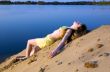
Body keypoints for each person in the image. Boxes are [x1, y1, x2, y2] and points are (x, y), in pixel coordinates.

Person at [17, 21, 87, 60]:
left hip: (47, 40)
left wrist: (55, 51)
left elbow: (63, 41)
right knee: (35, 48)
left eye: (78, 23)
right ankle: (29, 56)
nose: (77, 22)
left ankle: (26, 57)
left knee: (29, 41)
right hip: (47, 39)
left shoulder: (69, 30)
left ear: (77, 27)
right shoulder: (69, 28)